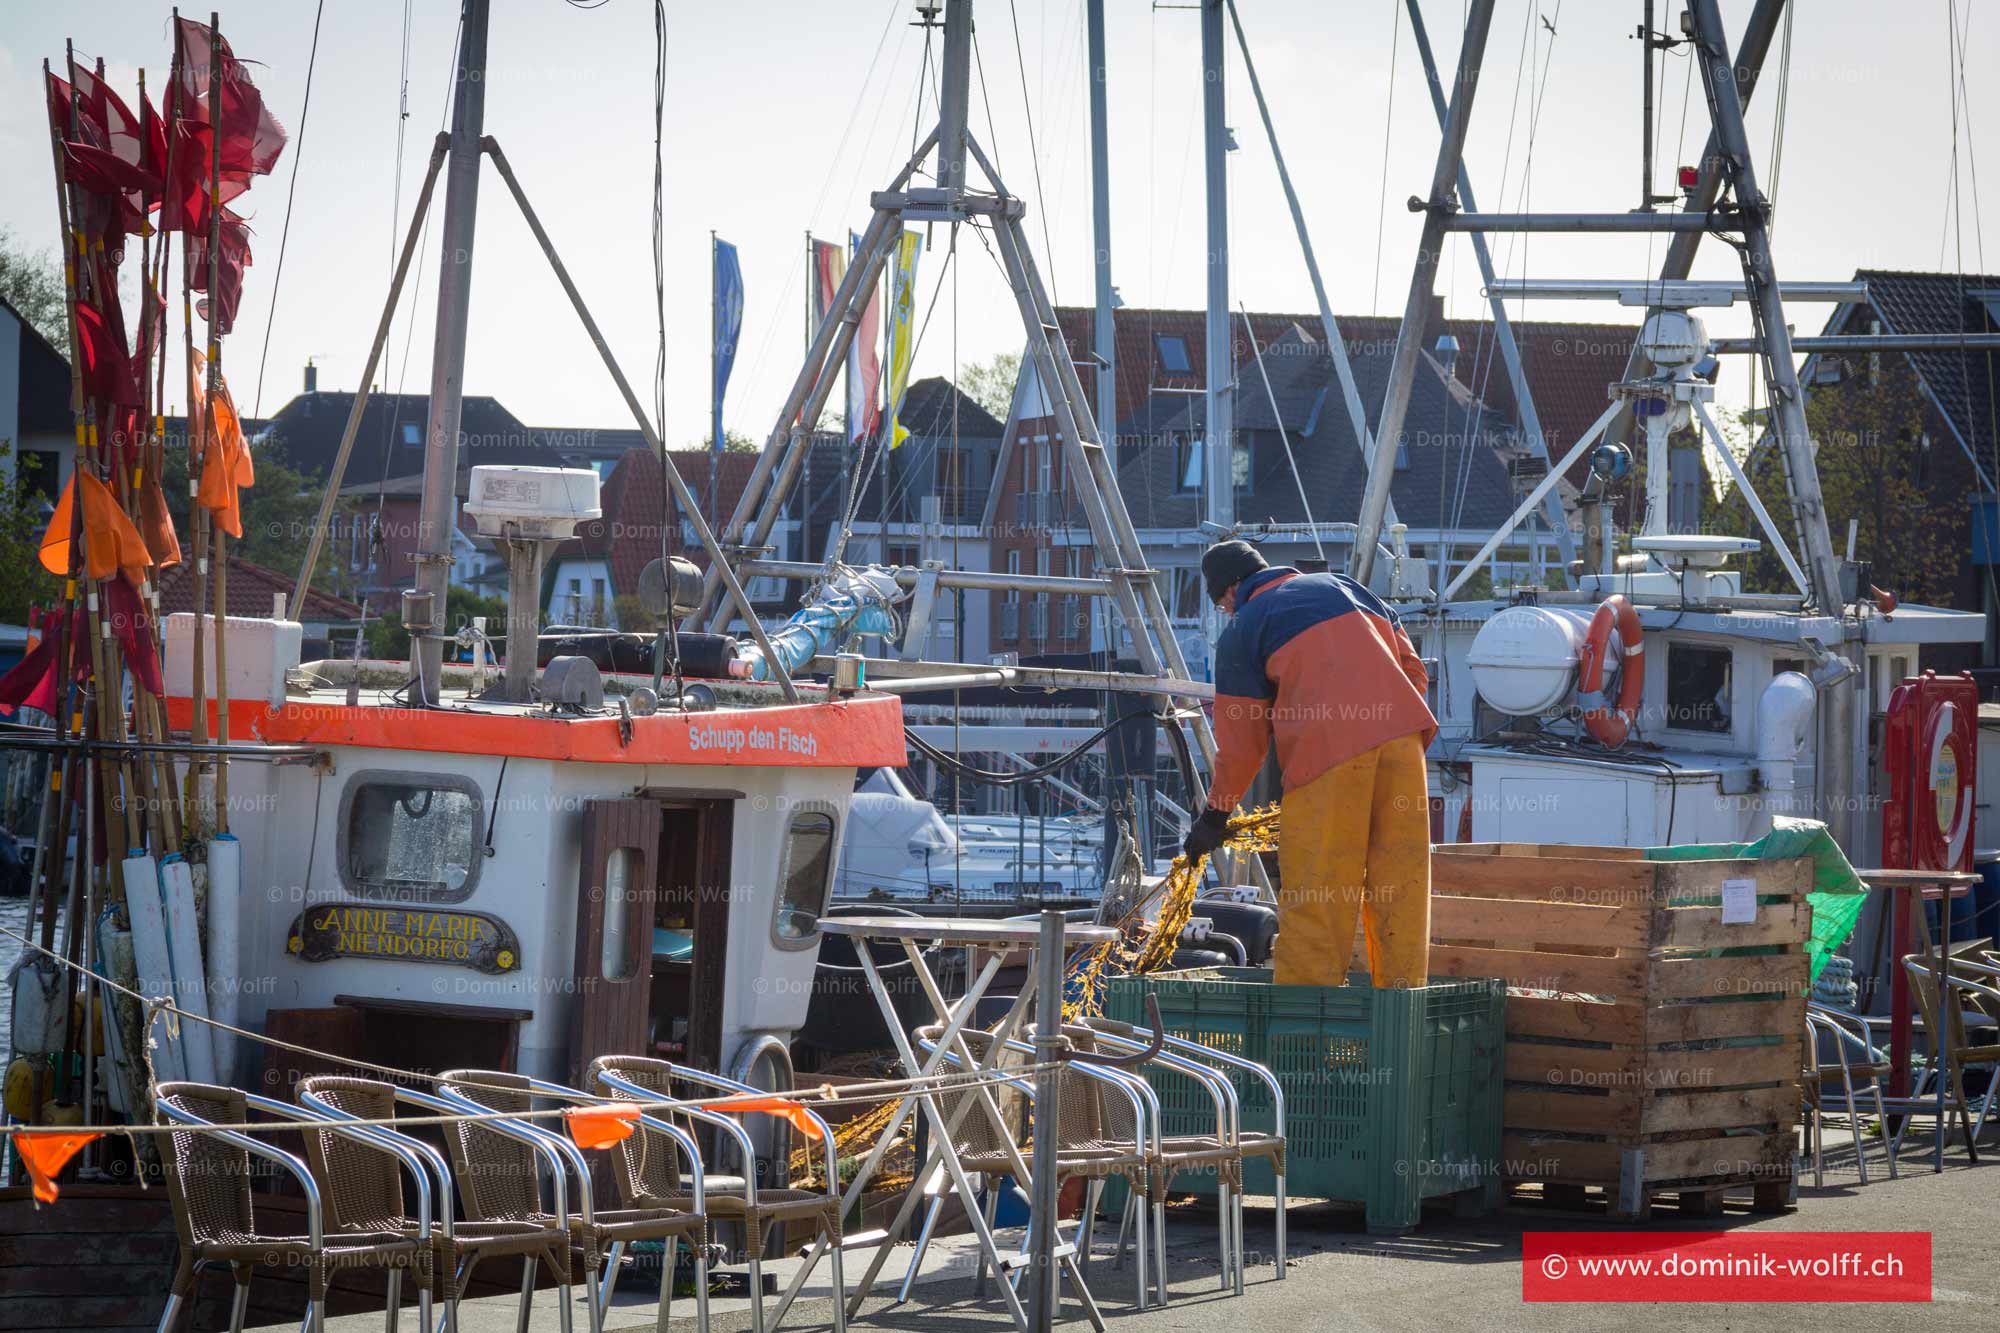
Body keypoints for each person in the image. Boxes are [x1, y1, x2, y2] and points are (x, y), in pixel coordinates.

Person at [1182, 540, 1437, 988]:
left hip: (1328, 757)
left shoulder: (1245, 627)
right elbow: (1414, 673)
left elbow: (1242, 745)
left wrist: (1215, 815)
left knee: (1317, 895)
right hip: (1403, 746)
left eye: (1221, 602)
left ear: (1232, 589)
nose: (1225, 611)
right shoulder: (1348, 588)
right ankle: (1402, 1008)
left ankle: (1305, 1020)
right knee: (1402, 887)